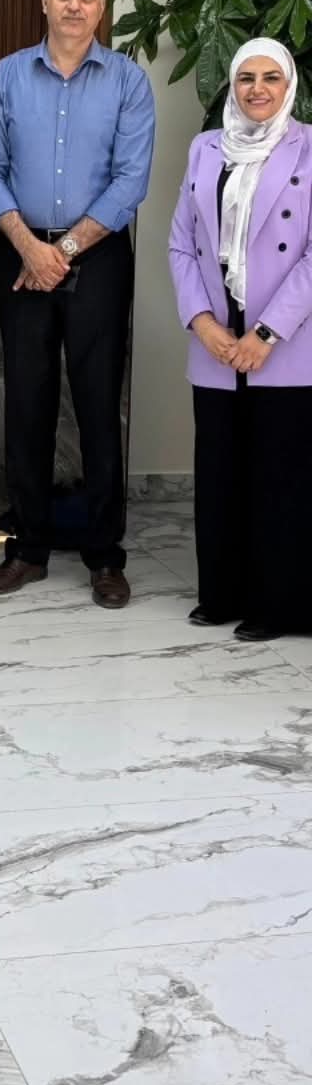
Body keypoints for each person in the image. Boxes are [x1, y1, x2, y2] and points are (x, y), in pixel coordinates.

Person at [0, 0, 154, 608]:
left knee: (100, 404)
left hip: (97, 258)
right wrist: (30, 246)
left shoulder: (128, 81)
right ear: (44, 1)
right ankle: (28, 549)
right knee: (26, 401)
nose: (75, 6)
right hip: (20, 251)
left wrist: (65, 250)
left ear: (102, 6)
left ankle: (105, 555)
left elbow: (131, 180)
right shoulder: (6, 76)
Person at [169, 37, 312, 641]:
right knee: (220, 468)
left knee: (280, 474)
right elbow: (181, 243)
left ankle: (279, 605)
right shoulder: (205, 148)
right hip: (217, 335)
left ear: (289, 86)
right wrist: (202, 322)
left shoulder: (309, 147)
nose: (258, 89)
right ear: (232, 84)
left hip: (287, 337)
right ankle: (222, 593)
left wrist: (267, 332)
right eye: (246, 77)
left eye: (271, 77)